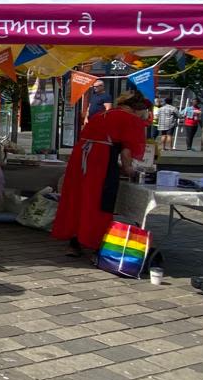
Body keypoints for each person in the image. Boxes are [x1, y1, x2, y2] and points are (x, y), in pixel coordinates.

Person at [52, 90, 151, 258]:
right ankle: (95, 241)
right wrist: (130, 170)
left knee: (78, 198)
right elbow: (127, 151)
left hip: (81, 158)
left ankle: (74, 242)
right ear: (137, 109)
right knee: (100, 200)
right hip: (100, 160)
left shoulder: (102, 114)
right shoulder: (130, 119)